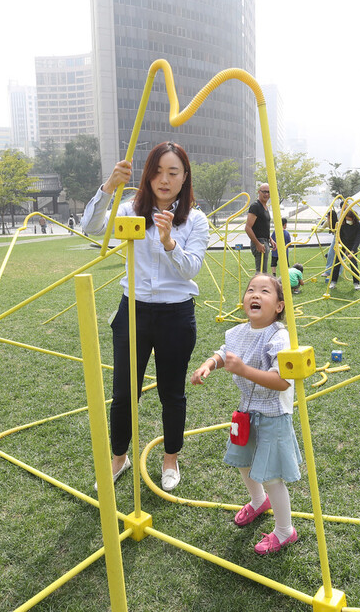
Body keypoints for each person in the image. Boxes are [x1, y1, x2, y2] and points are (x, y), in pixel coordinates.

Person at [81, 142, 209, 492]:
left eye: (173, 172)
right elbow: (90, 228)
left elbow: (191, 269)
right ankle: (118, 458)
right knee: (124, 392)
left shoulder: (195, 220)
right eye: (157, 171)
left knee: (172, 392)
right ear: (147, 174)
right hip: (133, 311)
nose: (164, 180)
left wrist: (169, 242)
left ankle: (170, 460)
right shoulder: (128, 210)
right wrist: (108, 187)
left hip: (176, 316)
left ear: (185, 178)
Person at [190, 274, 302, 555]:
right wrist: (208, 365)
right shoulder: (238, 332)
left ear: (278, 306)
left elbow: (282, 381)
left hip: (274, 414)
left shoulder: (279, 336)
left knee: (272, 475)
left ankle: (285, 530)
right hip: (247, 411)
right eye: (251, 289)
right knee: (243, 460)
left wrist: (243, 370)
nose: (255, 294)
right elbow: (224, 353)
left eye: (265, 291)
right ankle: (258, 501)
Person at [329, 206, 360, 291]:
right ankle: (333, 282)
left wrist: (353, 251)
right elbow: (338, 236)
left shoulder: (359, 226)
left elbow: (357, 239)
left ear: (354, 218)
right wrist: (337, 246)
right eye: (347, 219)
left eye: (350, 219)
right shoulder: (342, 223)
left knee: (353, 264)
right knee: (337, 263)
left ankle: (356, 283)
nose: (348, 221)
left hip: (352, 245)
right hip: (342, 244)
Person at [245, 183, 272, 273]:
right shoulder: (255, 206)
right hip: (259, 242)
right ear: (259, 192)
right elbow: (248, 228)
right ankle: (257, 287)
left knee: (263, 271)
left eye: (268, 192)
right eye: (264, 192)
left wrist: (270, 239)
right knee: (261, 272)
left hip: (265, 241)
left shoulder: (265, 207)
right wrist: (257, 244)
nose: (266, 194)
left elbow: (262, 227)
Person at [323, 200, 342, 281]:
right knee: (331, 254)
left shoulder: (338, 222)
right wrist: (315, 229)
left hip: (341, 238)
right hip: (335, 238)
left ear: (332, 217)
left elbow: (341, 232)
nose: (327, 218)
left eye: (328, 216)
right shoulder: (327, 222)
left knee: (339, 256)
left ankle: (337, 272)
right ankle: (328, 271)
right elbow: (321, 228)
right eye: (327, 216)